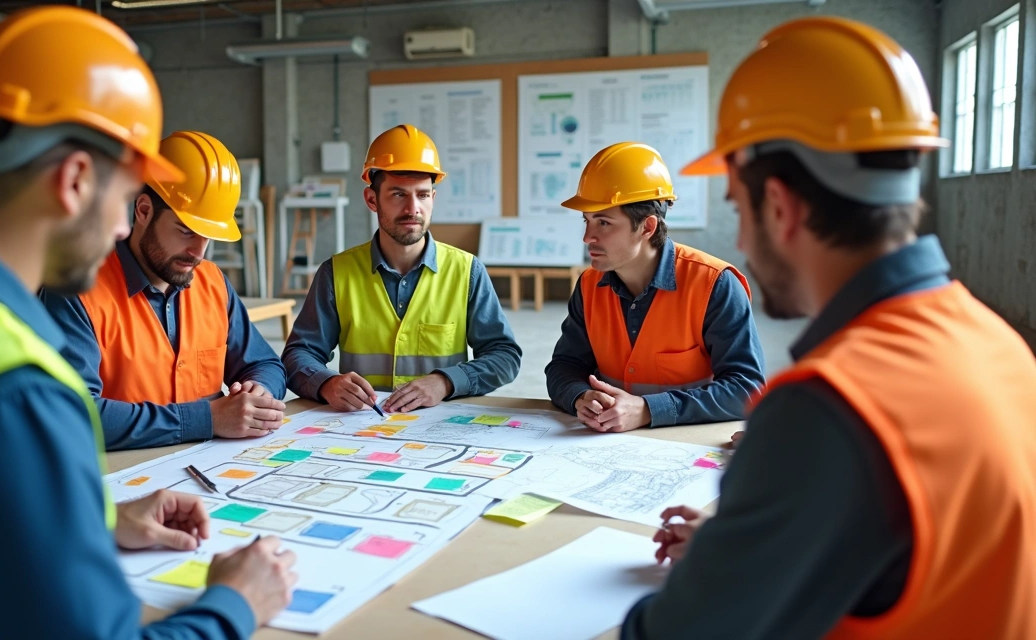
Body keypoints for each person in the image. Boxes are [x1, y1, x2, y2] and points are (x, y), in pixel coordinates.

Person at [0, 8, 296, 638]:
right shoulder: (15, 383)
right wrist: (236, 603)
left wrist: (96, 517)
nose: (124, 226)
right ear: (74, 180)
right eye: (122, 196)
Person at [624, 16, 1036, 639]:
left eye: (739, 208)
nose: (739, 239)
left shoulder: (827, 407)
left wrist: (718, 571)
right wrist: (758, 542)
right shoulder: (999, 345)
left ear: (782, 207)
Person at [41, 130, 287, 451]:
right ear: (143, 211)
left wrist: (259, 393)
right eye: (186, 231)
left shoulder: (211, 281)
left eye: (208, 236)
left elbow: (266, 364)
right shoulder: (77, 290)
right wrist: (207, 419)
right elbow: (73, 416)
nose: (198, 251)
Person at [282, 124, 522, 413]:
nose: (413, 209)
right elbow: (298, 354)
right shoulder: (336, 273)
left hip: (440, 427)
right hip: (361, 427)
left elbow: (504, 356)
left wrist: (446, 381)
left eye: (422, 195)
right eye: (398, 195)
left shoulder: (467, 271)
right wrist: (326, 383)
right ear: (372, 199)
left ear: (433, 198)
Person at [546, 142, 765, 431]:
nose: (588, 237)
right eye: (586, 221)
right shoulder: (589, 285)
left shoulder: (714, 284)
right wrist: (580, 397)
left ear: (647, 227)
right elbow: (563, 367)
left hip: (686, 442)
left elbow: (746, 389)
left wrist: (649, 409)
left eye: (604, 223)